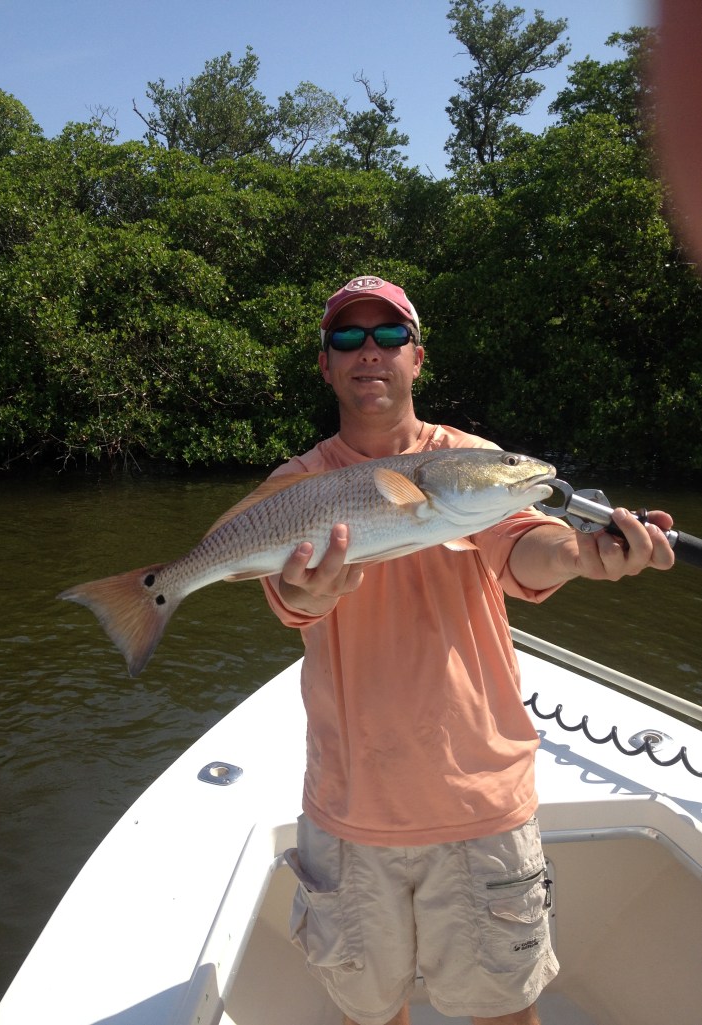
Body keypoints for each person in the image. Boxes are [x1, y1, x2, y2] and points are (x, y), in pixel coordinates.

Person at [261, 275, 675, 1025]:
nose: (369, 353)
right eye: (347, 339)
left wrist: (582, 555)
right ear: (324, 364)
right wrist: (312, 595)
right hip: (350, 810)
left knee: (503, 1016)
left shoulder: (468, 462)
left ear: (416, 358)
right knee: (368, 1015)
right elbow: (291, 602)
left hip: (480, 803)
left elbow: (525, 548)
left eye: (388, 337)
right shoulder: (293, 488)